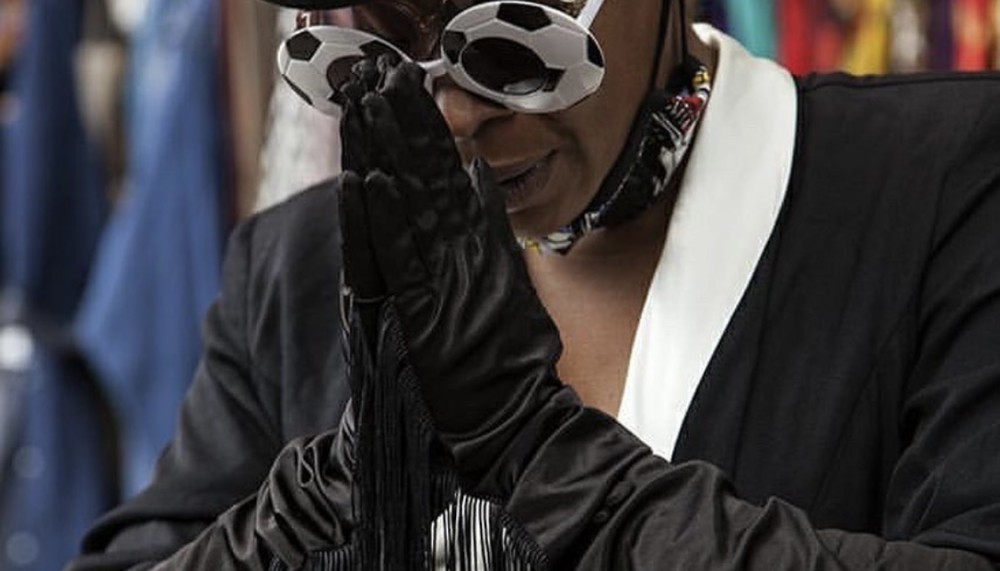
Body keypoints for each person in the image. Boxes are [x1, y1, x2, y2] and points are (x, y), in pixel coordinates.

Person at [70, 0, 1000, 569]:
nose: (458, 115)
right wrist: (332, 492)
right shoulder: (296, 267)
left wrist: (534, 450)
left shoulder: (941, 183)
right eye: (386, 48)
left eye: (516, 41)